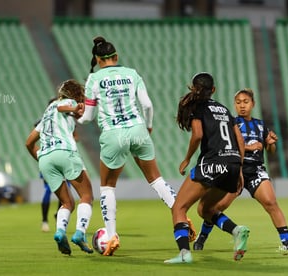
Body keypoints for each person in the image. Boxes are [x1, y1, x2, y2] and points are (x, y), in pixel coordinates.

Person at [77, 36, 196, 256]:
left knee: (107, 186)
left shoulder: (94, 79)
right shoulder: (132, 74)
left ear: (97, 59)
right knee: (157, 179)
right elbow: (148, 105)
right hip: (138, 129)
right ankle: (182, 217)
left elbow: (88, 117)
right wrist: (148, 126)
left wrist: (78, 116)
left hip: (113, 134)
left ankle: (112, 236)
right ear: (116, 57)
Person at [193, 88, 288, 252]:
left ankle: (287, 243)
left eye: (245, 102)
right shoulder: (231, 123)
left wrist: (271, 143)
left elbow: (270, 151)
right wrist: (249, 147)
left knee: (271, 202)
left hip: (255, 171)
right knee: (217, 207)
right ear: (234, 105)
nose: (242, 106)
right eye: (238, 102)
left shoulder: (261, 125)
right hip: (236, 169)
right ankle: (202, 238)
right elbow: (230, 145)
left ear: (252, 104)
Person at [164, 73, 250, 264]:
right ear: (213, 90)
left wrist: (186, 159)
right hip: (233, 163)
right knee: (205, 209)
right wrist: (240, 170)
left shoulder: (198, 107)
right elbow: (240, 140)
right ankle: (237, 231)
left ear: (194, 89)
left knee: (179, 207)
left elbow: (197, 135)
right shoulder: (224, 109)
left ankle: (184, 254)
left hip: (213, 163)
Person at [25, 79, 94, 255]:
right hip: (64, 151)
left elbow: (29, 142)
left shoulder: (46, 113)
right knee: (86, 196)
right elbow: (62, 107)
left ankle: (60, 232)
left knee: (66, 202)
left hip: (46, 159)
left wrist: (40, 156)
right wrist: (74, 107)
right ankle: (80, 233)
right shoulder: (65, 102)